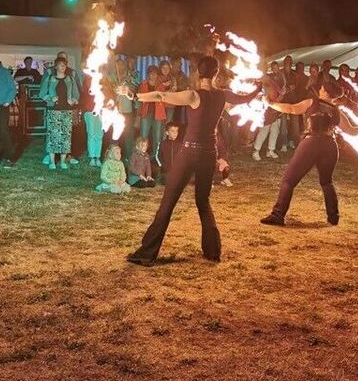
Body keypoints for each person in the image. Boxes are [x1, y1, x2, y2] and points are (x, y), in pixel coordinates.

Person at [123, 55, 258, 265]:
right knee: (203, 202)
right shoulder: (223, 95)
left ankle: (146, 253)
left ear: (197, 73)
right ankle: (213, 251)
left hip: (189, 153)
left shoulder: (194, 95)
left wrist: (134, 96)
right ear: (216, 74)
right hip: (208, 154)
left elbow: (161, 95)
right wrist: (258, 88)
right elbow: (245, 98)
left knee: (168, 203)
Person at [259, 75, 344, 227]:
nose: (320, 89)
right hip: (330, 145)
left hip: (311, 143)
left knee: (288, 180)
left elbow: (291, 109)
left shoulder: (312, 102)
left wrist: (270, 103)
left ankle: (278, 215)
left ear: (325, 92)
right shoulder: (336, 111)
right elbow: (351, 130)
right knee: (326, 182)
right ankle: (333, 217)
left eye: (322, 88)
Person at [40, 56, 80, 170]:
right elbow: (42, 93)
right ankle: (52, 162)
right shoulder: (50, 79)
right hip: (54, 110)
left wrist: (73, 100)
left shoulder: (70, 79)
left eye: (65, 65)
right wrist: (50, 98)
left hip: (67, 111)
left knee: (65, 137)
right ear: (56, 66)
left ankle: (63, 161)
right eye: (61, 65)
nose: (64, 67)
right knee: (53, 136)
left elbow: (76, 94)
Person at [104, 57, 139, 161]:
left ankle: (129, 156)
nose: (120, 67)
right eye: (118, 65)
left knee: (129, 135)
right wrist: (112, 90)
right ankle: (113, 157)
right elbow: (106, 90)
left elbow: (135, 90)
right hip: (115, 111)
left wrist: (127, 89)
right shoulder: (112, 78)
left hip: (127, 110)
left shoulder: (130, 78)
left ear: (125, 66)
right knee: (114, 135)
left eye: (122, 65)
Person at [138, 65, 170, 164]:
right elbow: (141, 97)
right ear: (148, 74)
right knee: (144, 136)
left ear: (157, 75)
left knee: (157, 136)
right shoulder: (143, 84)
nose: (153, 75)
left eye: (155, 74)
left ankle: (155, 157)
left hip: (158, 114)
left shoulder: (161, 85)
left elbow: (162, 98)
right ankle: (141, 156)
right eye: (151, 73)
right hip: (146, 113)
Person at [252, 78, 282, 160]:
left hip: (274, 112)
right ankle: (256, 150)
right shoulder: (261, 90)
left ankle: (270, 150)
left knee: (275, 130)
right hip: (266, 113)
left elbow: (277, 98)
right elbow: (268, 101)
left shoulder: (274, 88)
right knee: (264, 131)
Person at [80, 72, 103, 167]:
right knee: (92, 134)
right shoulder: (88, 78)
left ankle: (98, 157)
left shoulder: (102, 79)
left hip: (101, 111)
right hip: (90, 110)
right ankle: (92, 157)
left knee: (99, 135)